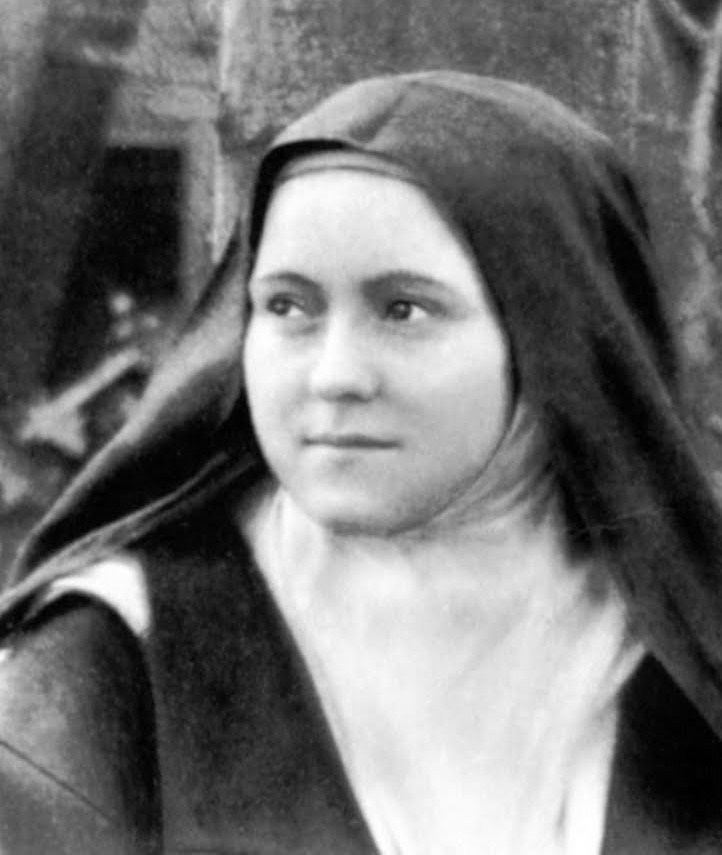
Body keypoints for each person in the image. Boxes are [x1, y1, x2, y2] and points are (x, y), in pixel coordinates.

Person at [0, 71, 721, 855]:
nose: (335, 375)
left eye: (404, 309)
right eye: (288, 306)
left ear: (552, 336)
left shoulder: (685, 663)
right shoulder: (111, 661)